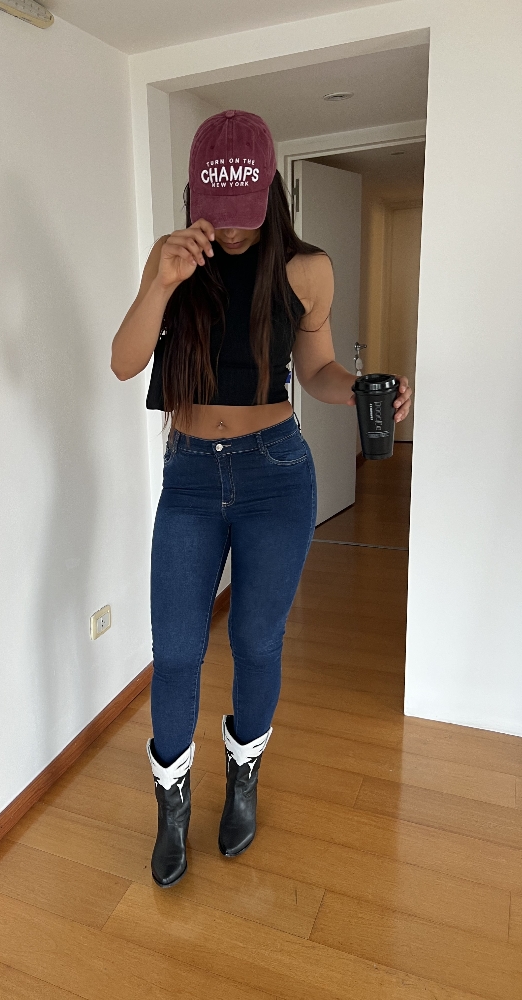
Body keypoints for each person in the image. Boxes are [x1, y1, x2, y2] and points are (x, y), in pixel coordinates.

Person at [111, 110, 412, 888]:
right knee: (178, 649)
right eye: (219, 214)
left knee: (256, 640)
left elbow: (315, 371)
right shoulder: (174, 258)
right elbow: (124, 361)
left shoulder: (307, 269)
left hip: (275, 472)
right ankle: (171, 806)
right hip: (189, 476)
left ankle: (243, 776)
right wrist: (162, 281)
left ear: (270, 192)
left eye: (245, 214)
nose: (233, 231)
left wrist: (362, 389)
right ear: (195, 195)